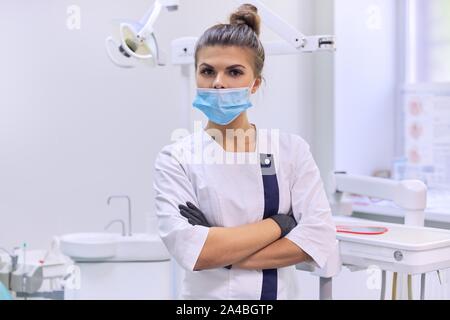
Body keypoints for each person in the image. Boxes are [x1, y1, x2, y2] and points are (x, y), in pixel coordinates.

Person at [153, 3, 336, 300]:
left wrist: (221, 251)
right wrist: (280, 224)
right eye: (207, 71)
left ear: (255, 84)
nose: (219, 82)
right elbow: (194, 253)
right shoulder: (176, 159)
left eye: (235, 72)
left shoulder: (291, 151)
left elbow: (318, 238)